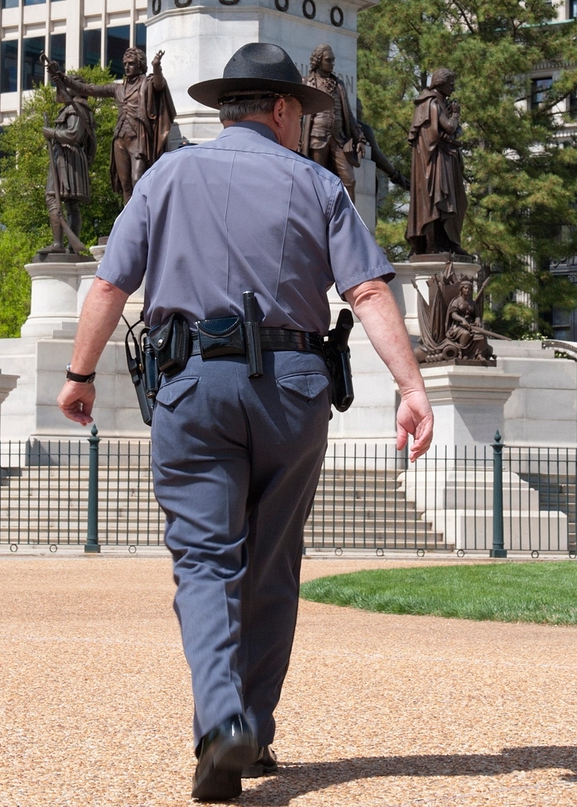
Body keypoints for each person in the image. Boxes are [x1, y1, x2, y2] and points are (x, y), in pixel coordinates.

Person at [57, 43, 433, 802]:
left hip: (192, 383)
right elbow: (365, 292)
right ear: (284, 109)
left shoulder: (165, 175)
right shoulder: (317, 185)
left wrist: (79, 374)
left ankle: (221, 720)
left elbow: (108, 282)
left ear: (232, 106)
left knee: (205, 561)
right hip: (293, 388)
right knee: (270, 563)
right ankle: (253, 729)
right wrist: (411, 386)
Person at [49, 48, 175, 204]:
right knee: (125, 186)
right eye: (125, 64)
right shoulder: (118, 89)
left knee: (138, 180)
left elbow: (159, 84)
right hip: (119, 139)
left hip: (138, 139)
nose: (127, 67)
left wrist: (156, 66)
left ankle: (145, 215)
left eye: (131, 64)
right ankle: (130, 221)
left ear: (140, 65)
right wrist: (61, 77)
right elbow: (88, 89)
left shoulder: (147, 84)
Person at [405, 68, 469, 256]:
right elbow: (449, 127)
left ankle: (450, 242)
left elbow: (454, 132)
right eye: (451, 84)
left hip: (447, 159)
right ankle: (433, 243)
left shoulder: (441, 103)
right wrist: (455, 114)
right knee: (435, 202)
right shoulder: (431, 104)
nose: (453, 87)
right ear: (441, 83)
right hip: (434, 162)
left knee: (457, 201)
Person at [300, 44, 366, 202]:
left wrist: (360, 138)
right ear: (318, 61)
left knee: (349, 180)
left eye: (333, 60)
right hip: (316, 138)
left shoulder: (339, 85)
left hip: (338, 139)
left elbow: (349, 115)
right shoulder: (308, 82)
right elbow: (299, 115)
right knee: (317, 180)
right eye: (328, 60)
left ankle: (349, 221)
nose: (332, 63)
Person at [35, 85, 95, 257]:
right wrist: (86, 161)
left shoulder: (74, 109)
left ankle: (58, 243)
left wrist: (51, 133)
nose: (59, 90)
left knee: (53, 196)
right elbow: (93, 144)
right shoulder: (82, 109)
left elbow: (73, 134)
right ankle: (69, 245)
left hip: (66, 157)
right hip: (73, 157)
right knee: (71, 204)